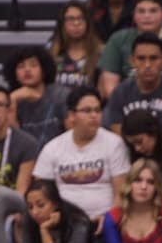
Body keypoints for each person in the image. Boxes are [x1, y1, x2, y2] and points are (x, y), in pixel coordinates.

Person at [33, 87, 131, 222]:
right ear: (72, 115)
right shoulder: (52, 148)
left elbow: (121, 192)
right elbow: (40, 192)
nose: (94, 115)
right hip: (63, 223)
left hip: (104, 221)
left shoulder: (114, 144)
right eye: (87, 111)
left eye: (97, 110)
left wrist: (110, 219)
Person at [104, 33, 162, 140]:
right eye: (141, 59)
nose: (147, 65)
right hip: (130, 154)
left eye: (154, 58)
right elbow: (120, 140)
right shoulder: (119, 93)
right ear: (132, 61)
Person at [0, 84, 39, 192]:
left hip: (16, 206)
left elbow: (21, 190)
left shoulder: (27, 144)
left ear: (9, 110)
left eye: (0, 104)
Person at [4, 46, 69, 147]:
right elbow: (13, 139)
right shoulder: (12, 99)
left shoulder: (61, 95)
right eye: (21, 66)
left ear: (43, 69)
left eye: (33, 65)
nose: (27, 70)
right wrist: (12, 99)